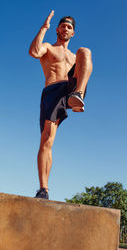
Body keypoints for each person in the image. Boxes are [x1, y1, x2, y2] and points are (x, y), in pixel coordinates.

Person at [29, 10, 93, 199]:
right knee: (47, 139)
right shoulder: (49, 47)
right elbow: (33, 52)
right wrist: (43, 28)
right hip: (53, 92)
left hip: (71, 87)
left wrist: (76, 92)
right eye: (63, 26)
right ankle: (43, 189)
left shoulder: (74, 57)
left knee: (85, 52)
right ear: (58, 29)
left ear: (73, 33)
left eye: (70, 27)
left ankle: (77, 95)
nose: (66, 29)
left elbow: (85, 65)